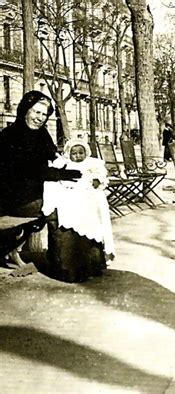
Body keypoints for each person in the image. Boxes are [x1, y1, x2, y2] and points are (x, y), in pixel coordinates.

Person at [0, 90, 81, 270]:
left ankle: (76, 259)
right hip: (15, 198)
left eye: (44, 114)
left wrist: (73, 167)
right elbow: (30, 170)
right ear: (25, 110)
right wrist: (63, 174)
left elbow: (54, 157)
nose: (40, 118)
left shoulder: (42, 134)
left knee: (77, 201)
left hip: (36, 191)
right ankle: (61, 263)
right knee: (58, 209)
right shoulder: (10, 135)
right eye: (36, 112)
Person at [42, 139, 115, 282]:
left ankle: (93, 264)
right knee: (68, 215)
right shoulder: (63, 164)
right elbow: (56, 179)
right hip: (70, 194)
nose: (77, 156)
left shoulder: (92, 164)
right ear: (68, 154)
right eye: (73, 153)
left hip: (87, 195)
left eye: (81, 152)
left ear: (86, 153)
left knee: (91, 216)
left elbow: (100, 176)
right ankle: (70, 269)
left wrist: (96, 181)